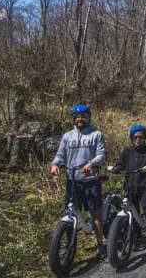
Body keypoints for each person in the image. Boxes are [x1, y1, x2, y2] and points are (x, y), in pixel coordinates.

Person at [50, 104, 107, 255]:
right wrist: (55, 164)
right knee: (70, 212)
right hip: (72, 180)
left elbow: (101, 155)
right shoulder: (67, 136)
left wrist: (91, 163)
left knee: (95, 214)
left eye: (83, 116)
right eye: (77, 117)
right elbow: (60, 154)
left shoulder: (96, 134)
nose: (80, 119)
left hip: (91, 180)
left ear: (88, 118)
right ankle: (70, 246)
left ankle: (100, 244)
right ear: (73, 119)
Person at [112, 124, 146, 249]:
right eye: (135, 137)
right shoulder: (126, 151)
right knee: (134, 213)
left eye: (141, 137)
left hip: (145, 187)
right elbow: (120, 165)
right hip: (130, 187)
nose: (138, 139)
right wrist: (115, 169)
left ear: (144, 138)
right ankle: (138, 238)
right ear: (132, 138)